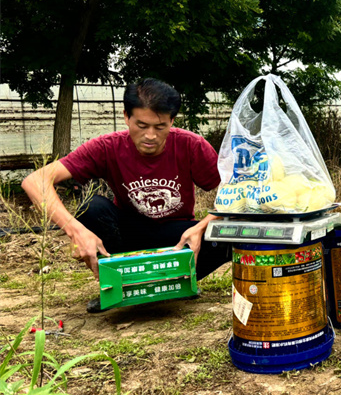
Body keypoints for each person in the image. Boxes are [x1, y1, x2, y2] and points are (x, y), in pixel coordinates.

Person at [21, 78, 231, 312]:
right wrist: (75, 231)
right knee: (92, 207)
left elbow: (237, 190)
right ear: (126, 117)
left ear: (172, 121)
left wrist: (202, 226)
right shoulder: (107, 147)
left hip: (178, 241)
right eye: (142, 125)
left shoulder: (191, 145)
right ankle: (123, 284)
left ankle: (176, 282)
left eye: (160, 127)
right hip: (127, 239)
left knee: (229, 234)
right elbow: (35, 181)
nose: (150, 135)